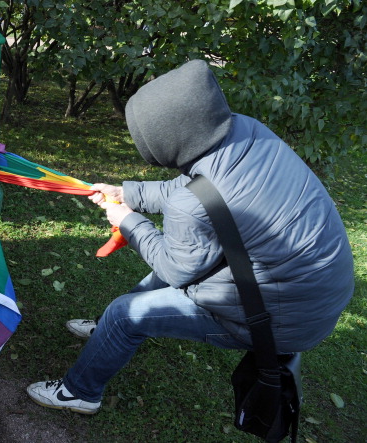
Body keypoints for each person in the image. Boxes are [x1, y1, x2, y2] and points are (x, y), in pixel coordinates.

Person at [26, 59, 354, 414]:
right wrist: (128, 193)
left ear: (164, 142)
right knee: (141, 296)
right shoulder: (245, 132)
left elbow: (176, 270)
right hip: (313, 293)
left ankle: (80, 392)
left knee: (126, 314)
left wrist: (128, 221)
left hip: (280, 320)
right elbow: (200, 189)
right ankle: (107, 333)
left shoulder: (190, 204)